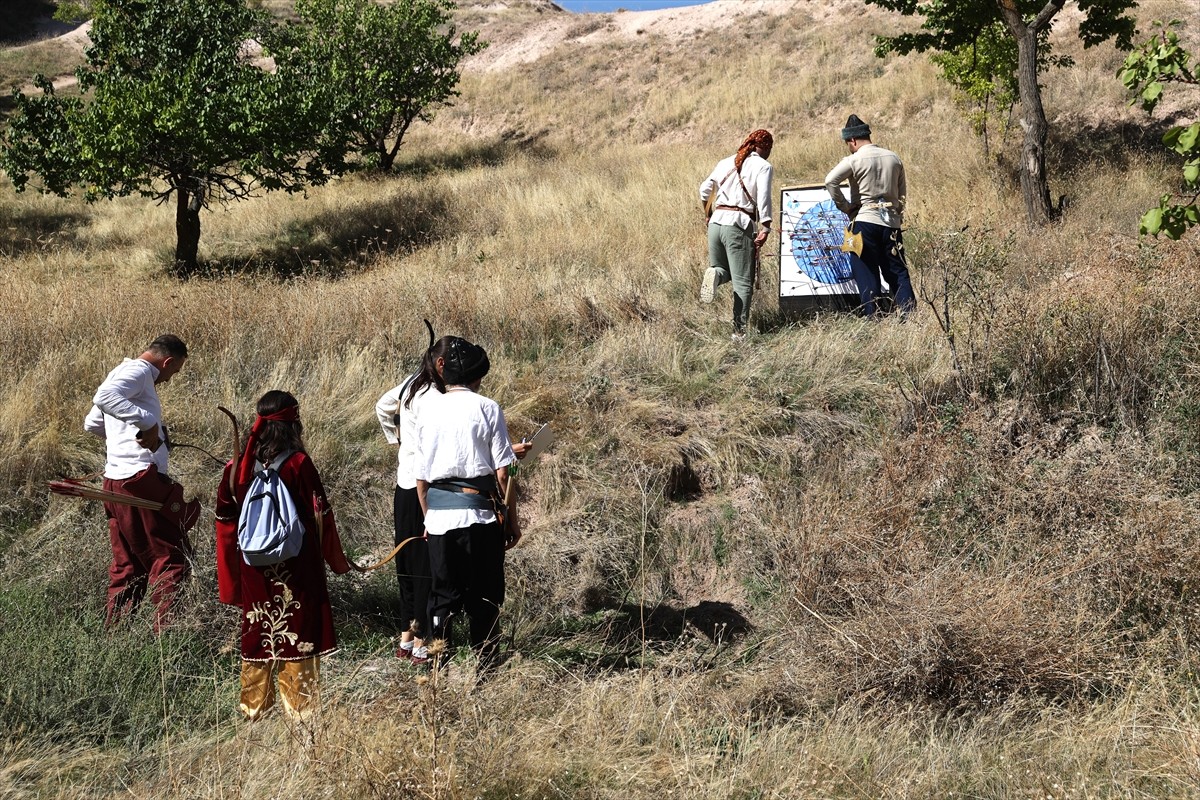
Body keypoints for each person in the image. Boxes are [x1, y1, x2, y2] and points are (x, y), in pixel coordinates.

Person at [217, 390, 351, 721]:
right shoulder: (299, 464)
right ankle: (302, 715)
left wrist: (231, 579)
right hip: (298, 567)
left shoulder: (237, 467)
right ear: (294, 423)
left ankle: (254, 713)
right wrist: (338, 562)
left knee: (258, 635)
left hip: (253, 569)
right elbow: (322, 516)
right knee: (299, 633)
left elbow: (225, 522)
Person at [415, 336, 520, 672]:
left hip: (439, 519)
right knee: (484, 598)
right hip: (479, 518)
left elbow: (421, 481)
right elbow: (503, 473)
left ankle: (436, 670)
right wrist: (511, 520)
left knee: (441, 599)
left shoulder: (427, 411)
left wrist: (428, 520)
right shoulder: (487, 408)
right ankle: (486, 670)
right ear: (476, 377)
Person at [84, 333, 196, 631]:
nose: (170, 379)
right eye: (174, 371)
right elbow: (103, 398)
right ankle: (167, 640)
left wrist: (125, 439)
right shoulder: (140, 372)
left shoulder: (121, 371)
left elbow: (92, 423)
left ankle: (117, 635)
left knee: (129, 564)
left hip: (114, 480)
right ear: (167, 362)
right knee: (171, 559)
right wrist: (147, 424)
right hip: (139, 481)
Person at [375, 340, 448, 666]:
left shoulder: (411, 383)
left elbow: (382, 406)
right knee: (424, 566)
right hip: (424, 487)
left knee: (406, 563)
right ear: (442, 364)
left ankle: (406, 637)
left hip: (403, 484)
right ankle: (421, 642)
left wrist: (397, 440)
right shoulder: (434, 395)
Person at [823, 114, 915, 317]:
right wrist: (897, 216)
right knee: (897, 272)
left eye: (848, 143)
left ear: (852, 140)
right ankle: (910, 316)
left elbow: (830, 181)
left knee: (866, 272)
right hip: (891, 223)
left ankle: (874, 317)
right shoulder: (893, 158)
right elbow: (902, 194)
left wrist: (846, 207)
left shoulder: (854, 159)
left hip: (864, 221)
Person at [698, 129, 774, 339]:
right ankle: (739, 334)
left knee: (724, 270)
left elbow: (704, 190)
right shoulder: (763, 166)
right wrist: (766, 226)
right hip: (739, 225)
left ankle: (714, 274)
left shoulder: (725, 162)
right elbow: (764, 197)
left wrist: (708, 214)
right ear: (764, 147)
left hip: (716, 223)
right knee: (743, 283)